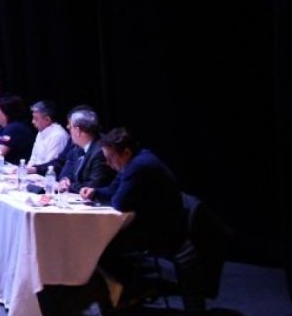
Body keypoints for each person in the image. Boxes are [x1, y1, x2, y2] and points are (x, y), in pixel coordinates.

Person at [81, 128, 186, 302]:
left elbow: (119, 202)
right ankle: (126, 288)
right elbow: (113, 190)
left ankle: (134, 289)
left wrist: (112, 194)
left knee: (98, 242)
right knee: (96, 239)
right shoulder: (131, 163)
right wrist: (94, 192)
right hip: (147, 223)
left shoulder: (139, 166)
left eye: (110, 157)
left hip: (161, 230)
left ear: (126, 153)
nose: (107, 163)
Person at [42, 107, 115, 193]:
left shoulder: (100, 151)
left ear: (77, 131)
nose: (68, 128)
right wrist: (64, 179)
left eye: (70, 127)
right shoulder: (77, 147)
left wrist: (70, 186)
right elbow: (66, 170)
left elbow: (93, 185)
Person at [25, 100, 69, 169]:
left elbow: (49, 166)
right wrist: (25, 170)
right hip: (35, 172)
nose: (32, 121)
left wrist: (32, 170)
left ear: (47, 119)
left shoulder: (58, 135)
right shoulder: (41, 131)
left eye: (35, 119)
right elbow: (33, 158)